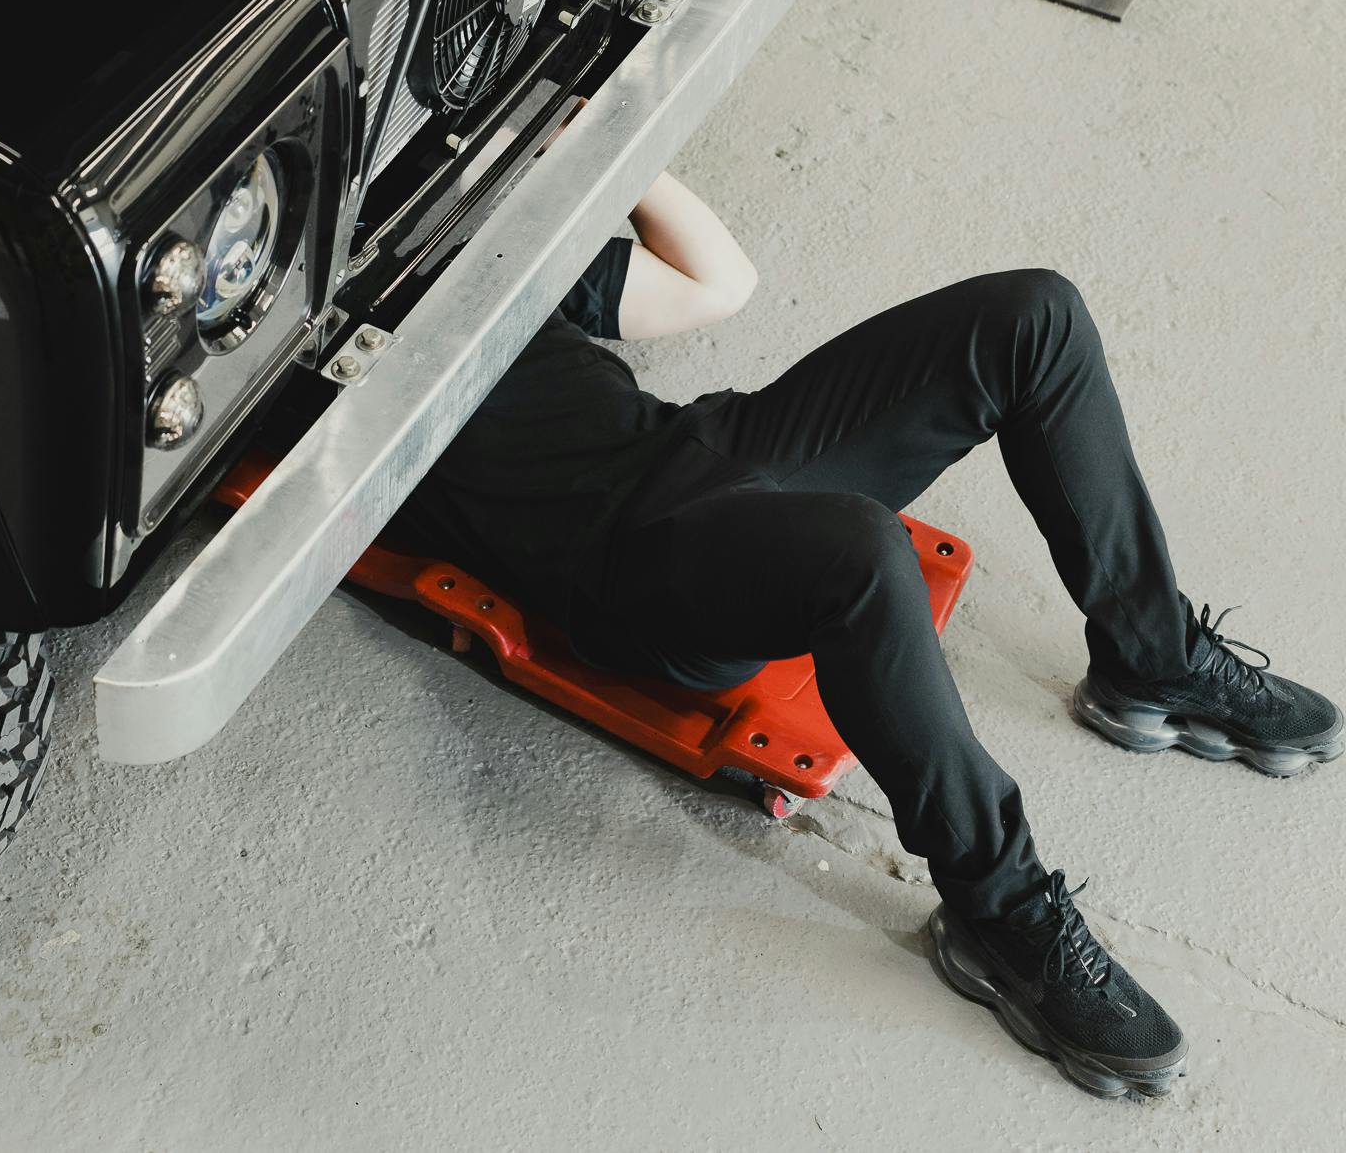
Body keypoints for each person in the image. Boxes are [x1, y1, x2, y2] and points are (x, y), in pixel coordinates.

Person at [396, 174, 1341, 1104]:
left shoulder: (469, 241)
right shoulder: (311, 333)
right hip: (630, 566)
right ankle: (999, 910)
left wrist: (604, 141)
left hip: (709, 447)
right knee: (861, 553)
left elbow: (715, 285)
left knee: (1033, 316)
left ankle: (1153, 654)